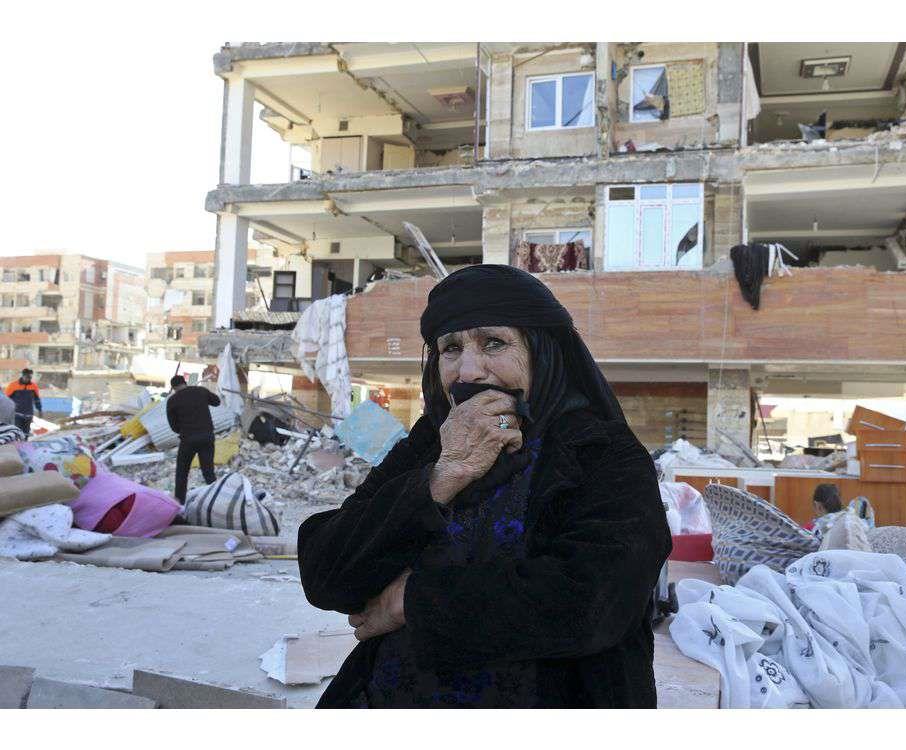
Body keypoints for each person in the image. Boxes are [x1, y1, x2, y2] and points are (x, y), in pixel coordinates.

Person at [298, 264, 671, 708]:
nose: (468, 371)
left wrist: (409, 601)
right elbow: (327, 571)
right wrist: (442, 477)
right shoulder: (430, 443)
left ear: (542, 352)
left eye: (494, 342)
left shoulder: (602, 454)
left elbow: (592, 602)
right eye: (450, 349)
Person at [166, 374, 220, 503]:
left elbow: (173, 426)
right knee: (208, 472)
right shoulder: (200, 391)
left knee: (182, 473)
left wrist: (183, 430)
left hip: (188, 440)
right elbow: (217, 402)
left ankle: (180, 503)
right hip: (207, 437)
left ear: (173, 388)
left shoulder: (172, 400)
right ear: (185, 382)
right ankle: (216, 501)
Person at [5, 368, 43, 436]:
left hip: (28, 415)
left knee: (26, 434)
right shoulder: (13, 385)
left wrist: (40, 410)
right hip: (17, 414)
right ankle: (17, 442)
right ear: (23, 376)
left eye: (30, 377)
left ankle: (24, 442)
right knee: (17, 432)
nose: (28, 379)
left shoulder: (34, 386)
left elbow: (37, 399)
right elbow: (6, 399)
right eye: (27, 377)